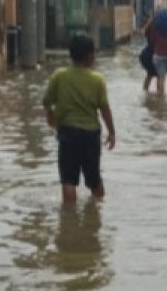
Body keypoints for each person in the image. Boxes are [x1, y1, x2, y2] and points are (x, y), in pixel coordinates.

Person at [43, 34, 117, 204]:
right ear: (90, 56)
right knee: (94, 179)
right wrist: (112, 132)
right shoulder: (97, 80)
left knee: (68, 180)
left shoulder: (59, 76)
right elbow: (104, 109)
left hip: (68, 133)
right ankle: (97, 210)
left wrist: (50, 115)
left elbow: (47, 101)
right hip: (91, 135)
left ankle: (69, 221)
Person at [139, 17, 159, 93]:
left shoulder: (148, 31)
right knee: (159, 76)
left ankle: (145, 93)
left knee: (150, 74)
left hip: (145, 55)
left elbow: (143, 32)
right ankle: (159, 96)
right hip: (152, 56)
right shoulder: (159, 31)